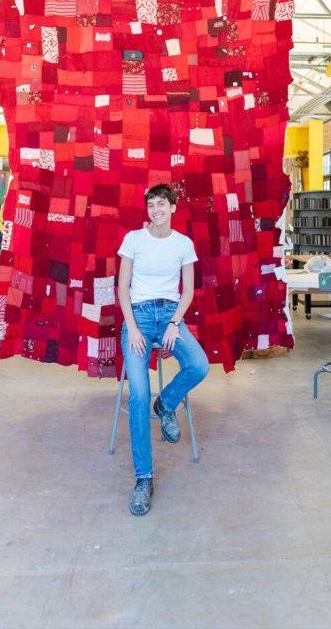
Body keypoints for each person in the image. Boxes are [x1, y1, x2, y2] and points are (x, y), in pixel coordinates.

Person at [116, 183, 209, 516]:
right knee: (137, 395)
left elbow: (187, 292)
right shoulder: (133, 240)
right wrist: (134, 329)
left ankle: (166, 403)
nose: (155, 210)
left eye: (161, 205)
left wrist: (174, 323)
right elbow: (122, 289)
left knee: (199, 365)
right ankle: (144, 478)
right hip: (138, 315)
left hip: (171, 314)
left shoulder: (183, 244)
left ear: (173, 208)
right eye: (150, 205)